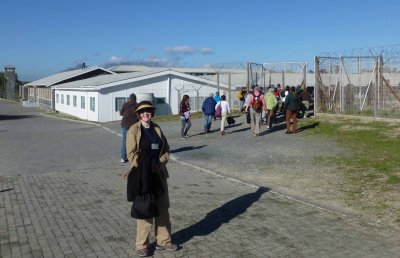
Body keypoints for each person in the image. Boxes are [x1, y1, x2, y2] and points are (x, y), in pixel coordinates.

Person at [126, 101, 178, 257]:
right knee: (145, 209)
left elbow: (166, 149)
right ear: (139, 114)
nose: (145, 113)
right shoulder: (133, 130)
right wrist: (145, 167)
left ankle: (164, 241)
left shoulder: (157, 128)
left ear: (152, 113)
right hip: (143, 175)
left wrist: (161, 163)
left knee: (162, 209)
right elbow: (131, 154)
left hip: (159, 174)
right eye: (142, 111)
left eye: (148, 111)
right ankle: (142, 245)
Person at [120, 93, 138, 163]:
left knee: (125, 141)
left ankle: (123, 158)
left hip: (125, 124)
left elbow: (121, 113)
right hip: (134, 125)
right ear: (135, 98)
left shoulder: (125, 104)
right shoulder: (137, 105)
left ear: (129, 98)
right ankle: (133, 156)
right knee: (135, 141)